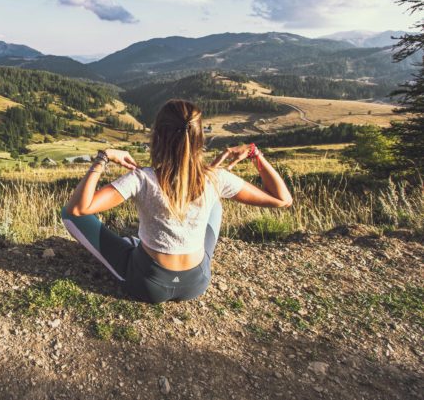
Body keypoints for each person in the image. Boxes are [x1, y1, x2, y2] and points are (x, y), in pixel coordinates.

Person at [62, 99, 292, 303]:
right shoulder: (216, 178)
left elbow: (78, 209)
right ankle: (149, 248)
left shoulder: (142, 179)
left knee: (69, 215)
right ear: (199, 138)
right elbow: (282, 199)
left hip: (149, 284)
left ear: (158, 137)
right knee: (215, 203)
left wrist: (104, 158)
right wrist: (255, 154)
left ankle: (136, 246)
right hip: (196, 282)